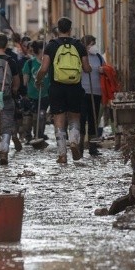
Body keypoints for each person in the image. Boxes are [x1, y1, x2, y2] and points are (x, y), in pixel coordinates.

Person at [35, 18, 90, 164]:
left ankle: (62, 155)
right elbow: (86, 68)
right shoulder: (79, 45)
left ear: (58, 29)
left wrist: (38, 80)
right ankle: (74, 141)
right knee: (74, 118)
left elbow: (44, 68)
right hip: (75, 86)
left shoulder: (51, 45)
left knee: (59, 121)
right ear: (70, 29)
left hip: (57, 87)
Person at [0, 33, 20, 166]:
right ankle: (4, 152)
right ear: (6, 45)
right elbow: (17, 82)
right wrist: (13, 91)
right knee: (6, 126)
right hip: (6, 97)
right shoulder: (11, 61)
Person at [80, 35, 105, 157]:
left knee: (93, 120)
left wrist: (103, 70)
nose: (94, 46)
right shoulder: (80, 57)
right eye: (91, 44)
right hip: (83, 92)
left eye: (94, 43)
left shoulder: (99, 57)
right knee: (81, 119)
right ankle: (79, 146)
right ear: (85, 45)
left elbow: (106, 69)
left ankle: (92, 147)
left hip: (96, 92)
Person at [22, 40, 50, 141]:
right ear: (40, 50)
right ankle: (28, 136)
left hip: (45, 95)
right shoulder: (29, 63)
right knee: (30, 117)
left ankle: (39, 135)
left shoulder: (48, 64)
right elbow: (25, 81)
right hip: (31, 95)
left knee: (41, 116)